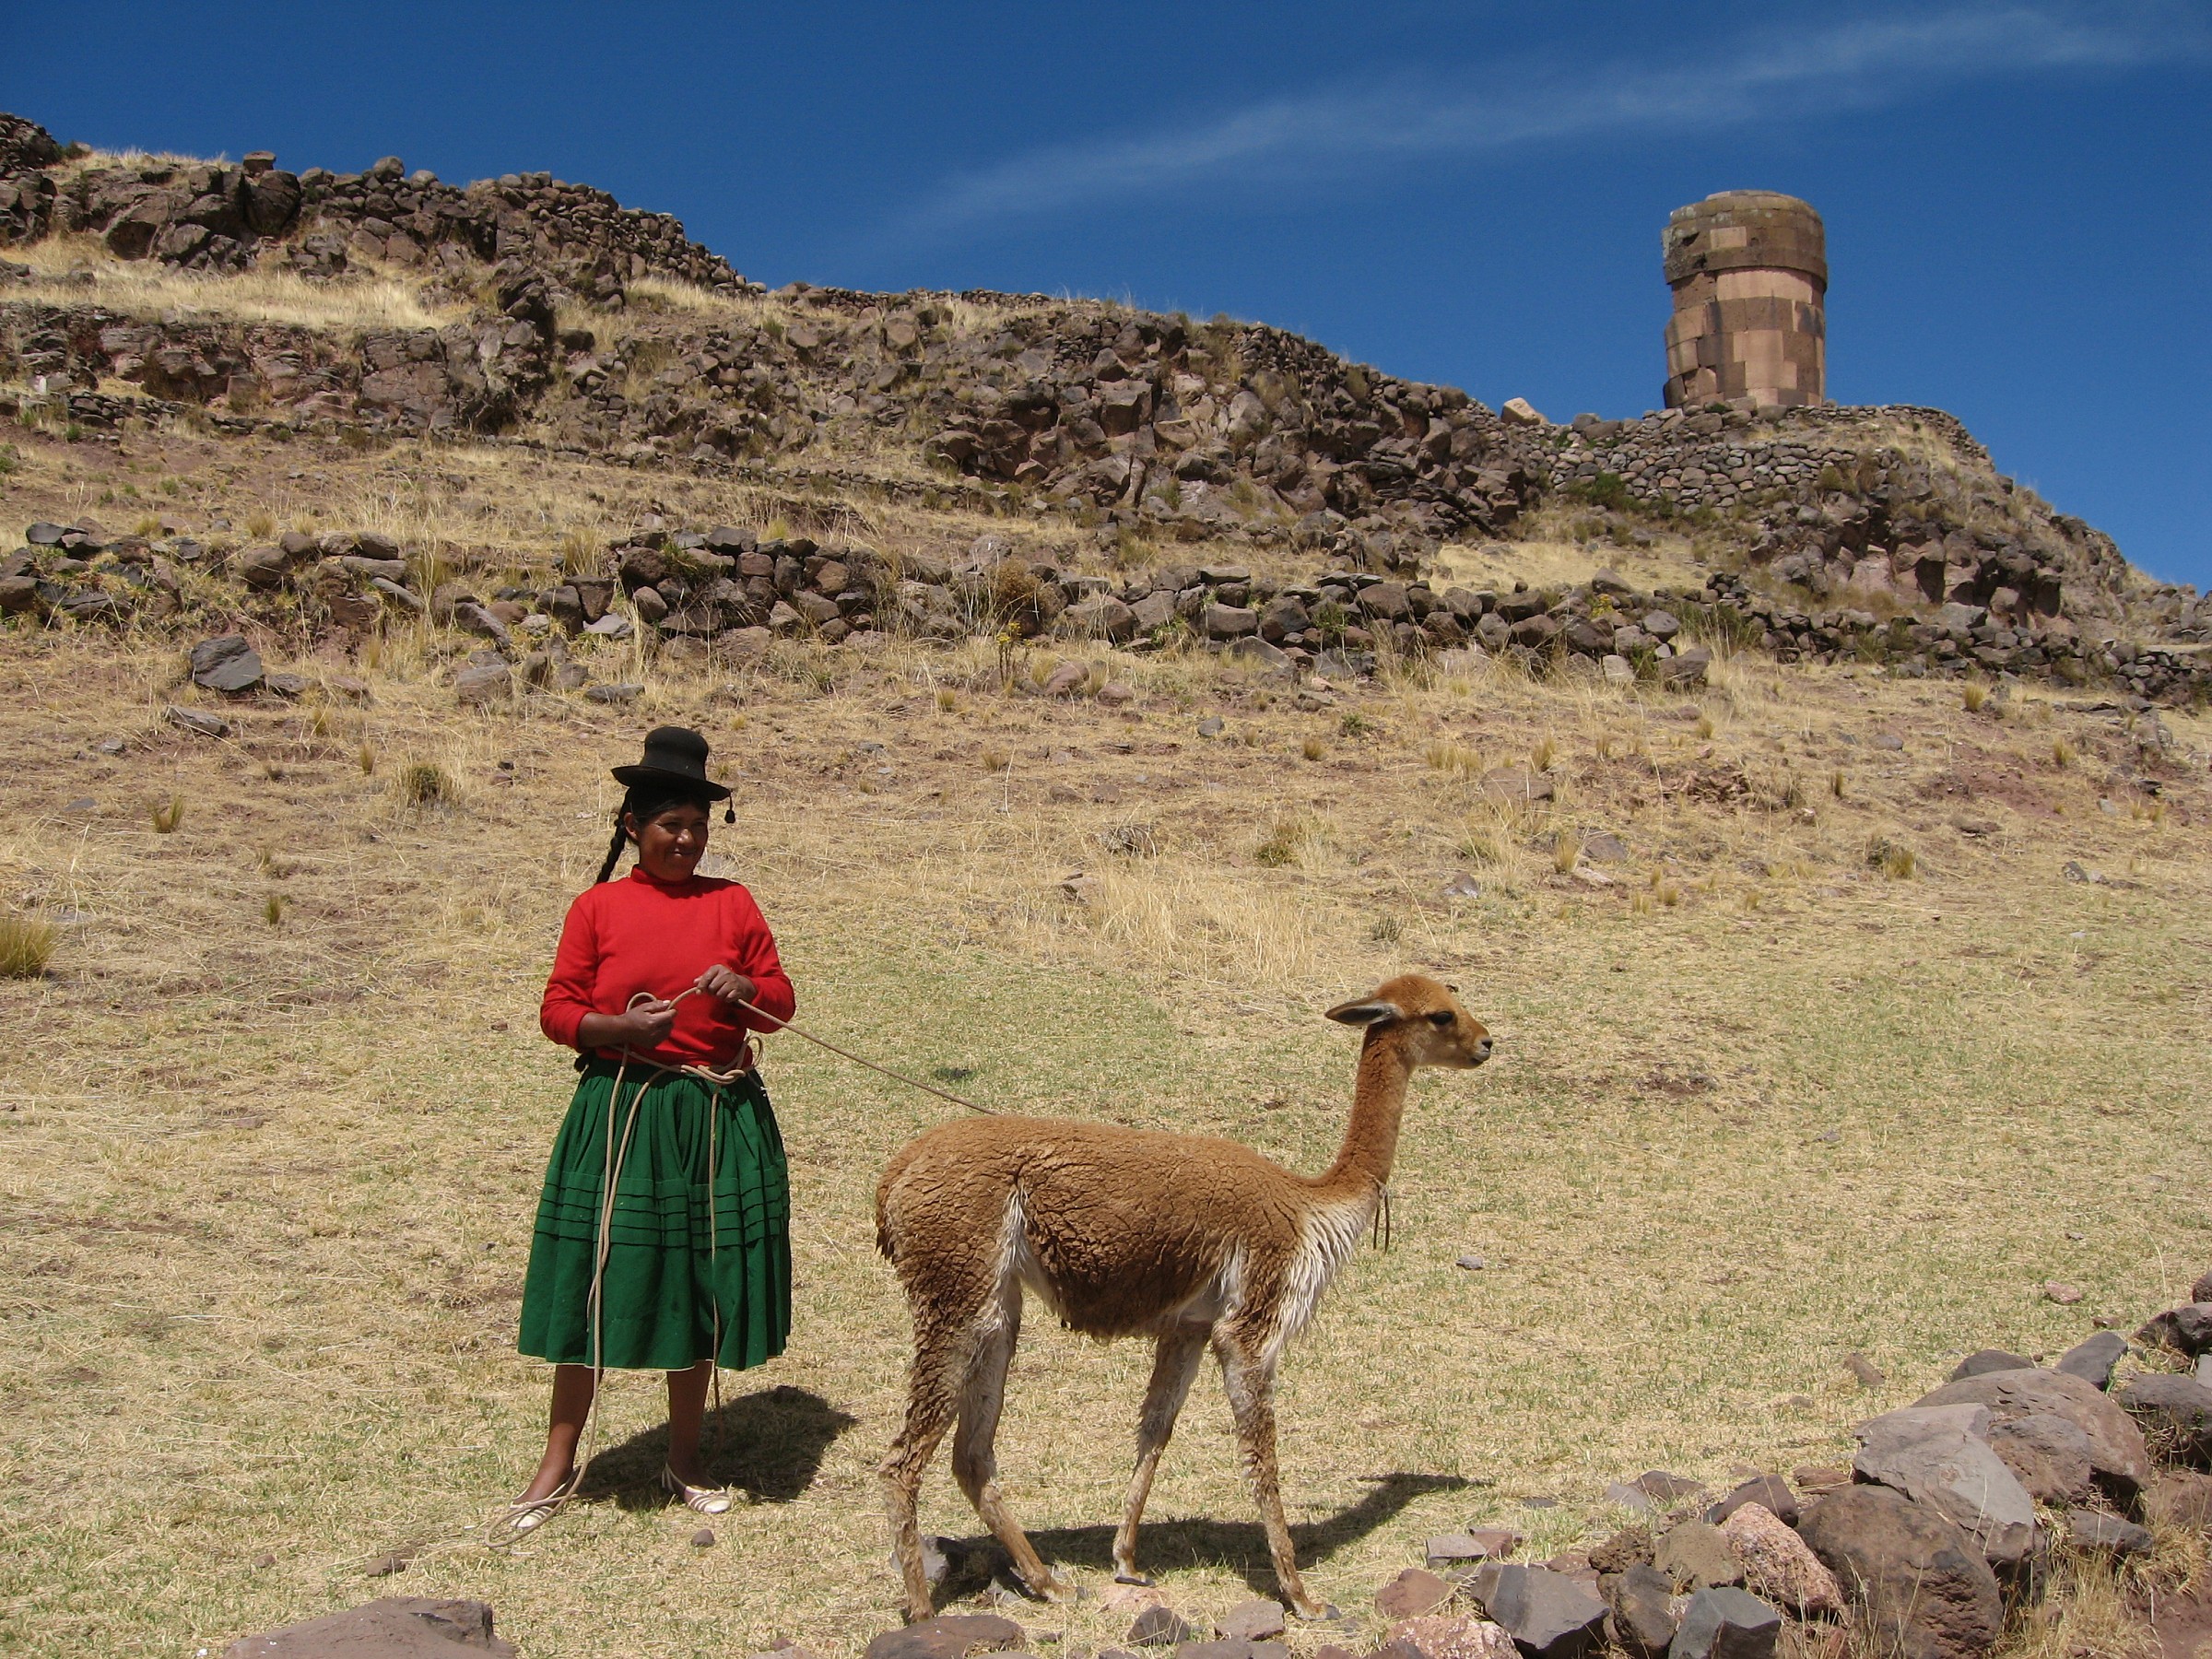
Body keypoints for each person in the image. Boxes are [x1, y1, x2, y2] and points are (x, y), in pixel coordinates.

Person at [501, 725, 796, 1535]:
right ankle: (557, 1465)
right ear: (633, 826)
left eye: (698, 826)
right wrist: (613, 1030)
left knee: (700, 1283)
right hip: (621, 1111)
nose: (687, 840)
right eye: (671, 825)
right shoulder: (598, 907)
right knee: (595, 1276)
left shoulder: (732, 903)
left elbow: (780, 999)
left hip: (713, 1114)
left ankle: (686, 1456)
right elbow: (557, 1009)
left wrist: (743, 984)